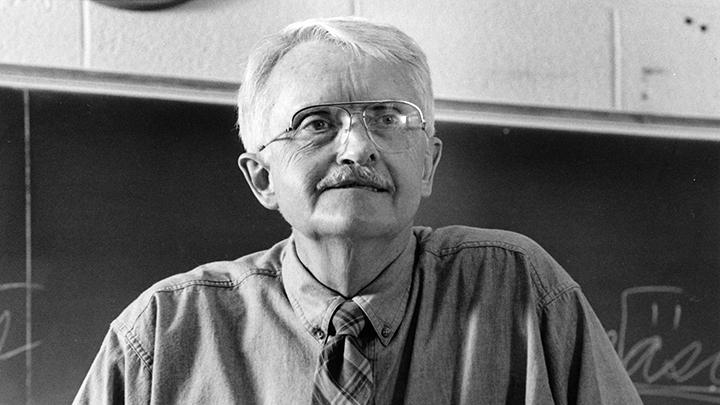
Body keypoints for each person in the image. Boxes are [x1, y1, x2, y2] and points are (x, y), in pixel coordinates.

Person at [74, 17, 642, 404]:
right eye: (316, 123)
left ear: (428, 163)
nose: (357, 147)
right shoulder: (164, 335)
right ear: (262, 177)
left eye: (389, 118)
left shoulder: (521, 290)